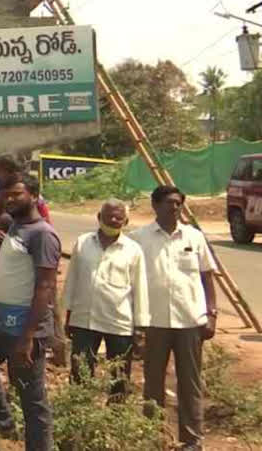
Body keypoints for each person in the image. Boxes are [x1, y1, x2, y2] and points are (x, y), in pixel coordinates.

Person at [130, 185, 217, 449]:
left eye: (178, 203)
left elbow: (206, 276)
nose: (175, 207)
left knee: (190, 383)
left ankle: (192, 440)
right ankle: (155, 436)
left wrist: (211, 313)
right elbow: (130, 282)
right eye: (169, 203)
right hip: (153, 322)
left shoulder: (194, 237)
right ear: (155, 206)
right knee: (153, 382)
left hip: (190, 321)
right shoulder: (138, 239)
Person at [0, 174, 59, 451]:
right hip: (2, 322)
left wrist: (28, 337)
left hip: (26, 330)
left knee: (32, 398)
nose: (10, 199)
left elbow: (45, 287)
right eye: (6, 194)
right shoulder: (16, 225)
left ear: (35, 196)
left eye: (17, 194)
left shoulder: (42, 234)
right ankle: (2, 421)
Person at [62, 199, 149, 396]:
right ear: (99, 217)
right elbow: (72, 280)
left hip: (119, 322)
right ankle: (78, 414)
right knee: (80, 373)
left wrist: (140, 328)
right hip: (84, 319)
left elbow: (140, 289)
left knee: (119, 377)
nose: (113, 220)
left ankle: (115, 418)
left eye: (119, 217)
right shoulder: (83, 242)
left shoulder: (133, 250)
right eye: (108, 216)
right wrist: (67, 314)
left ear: (125, 222)